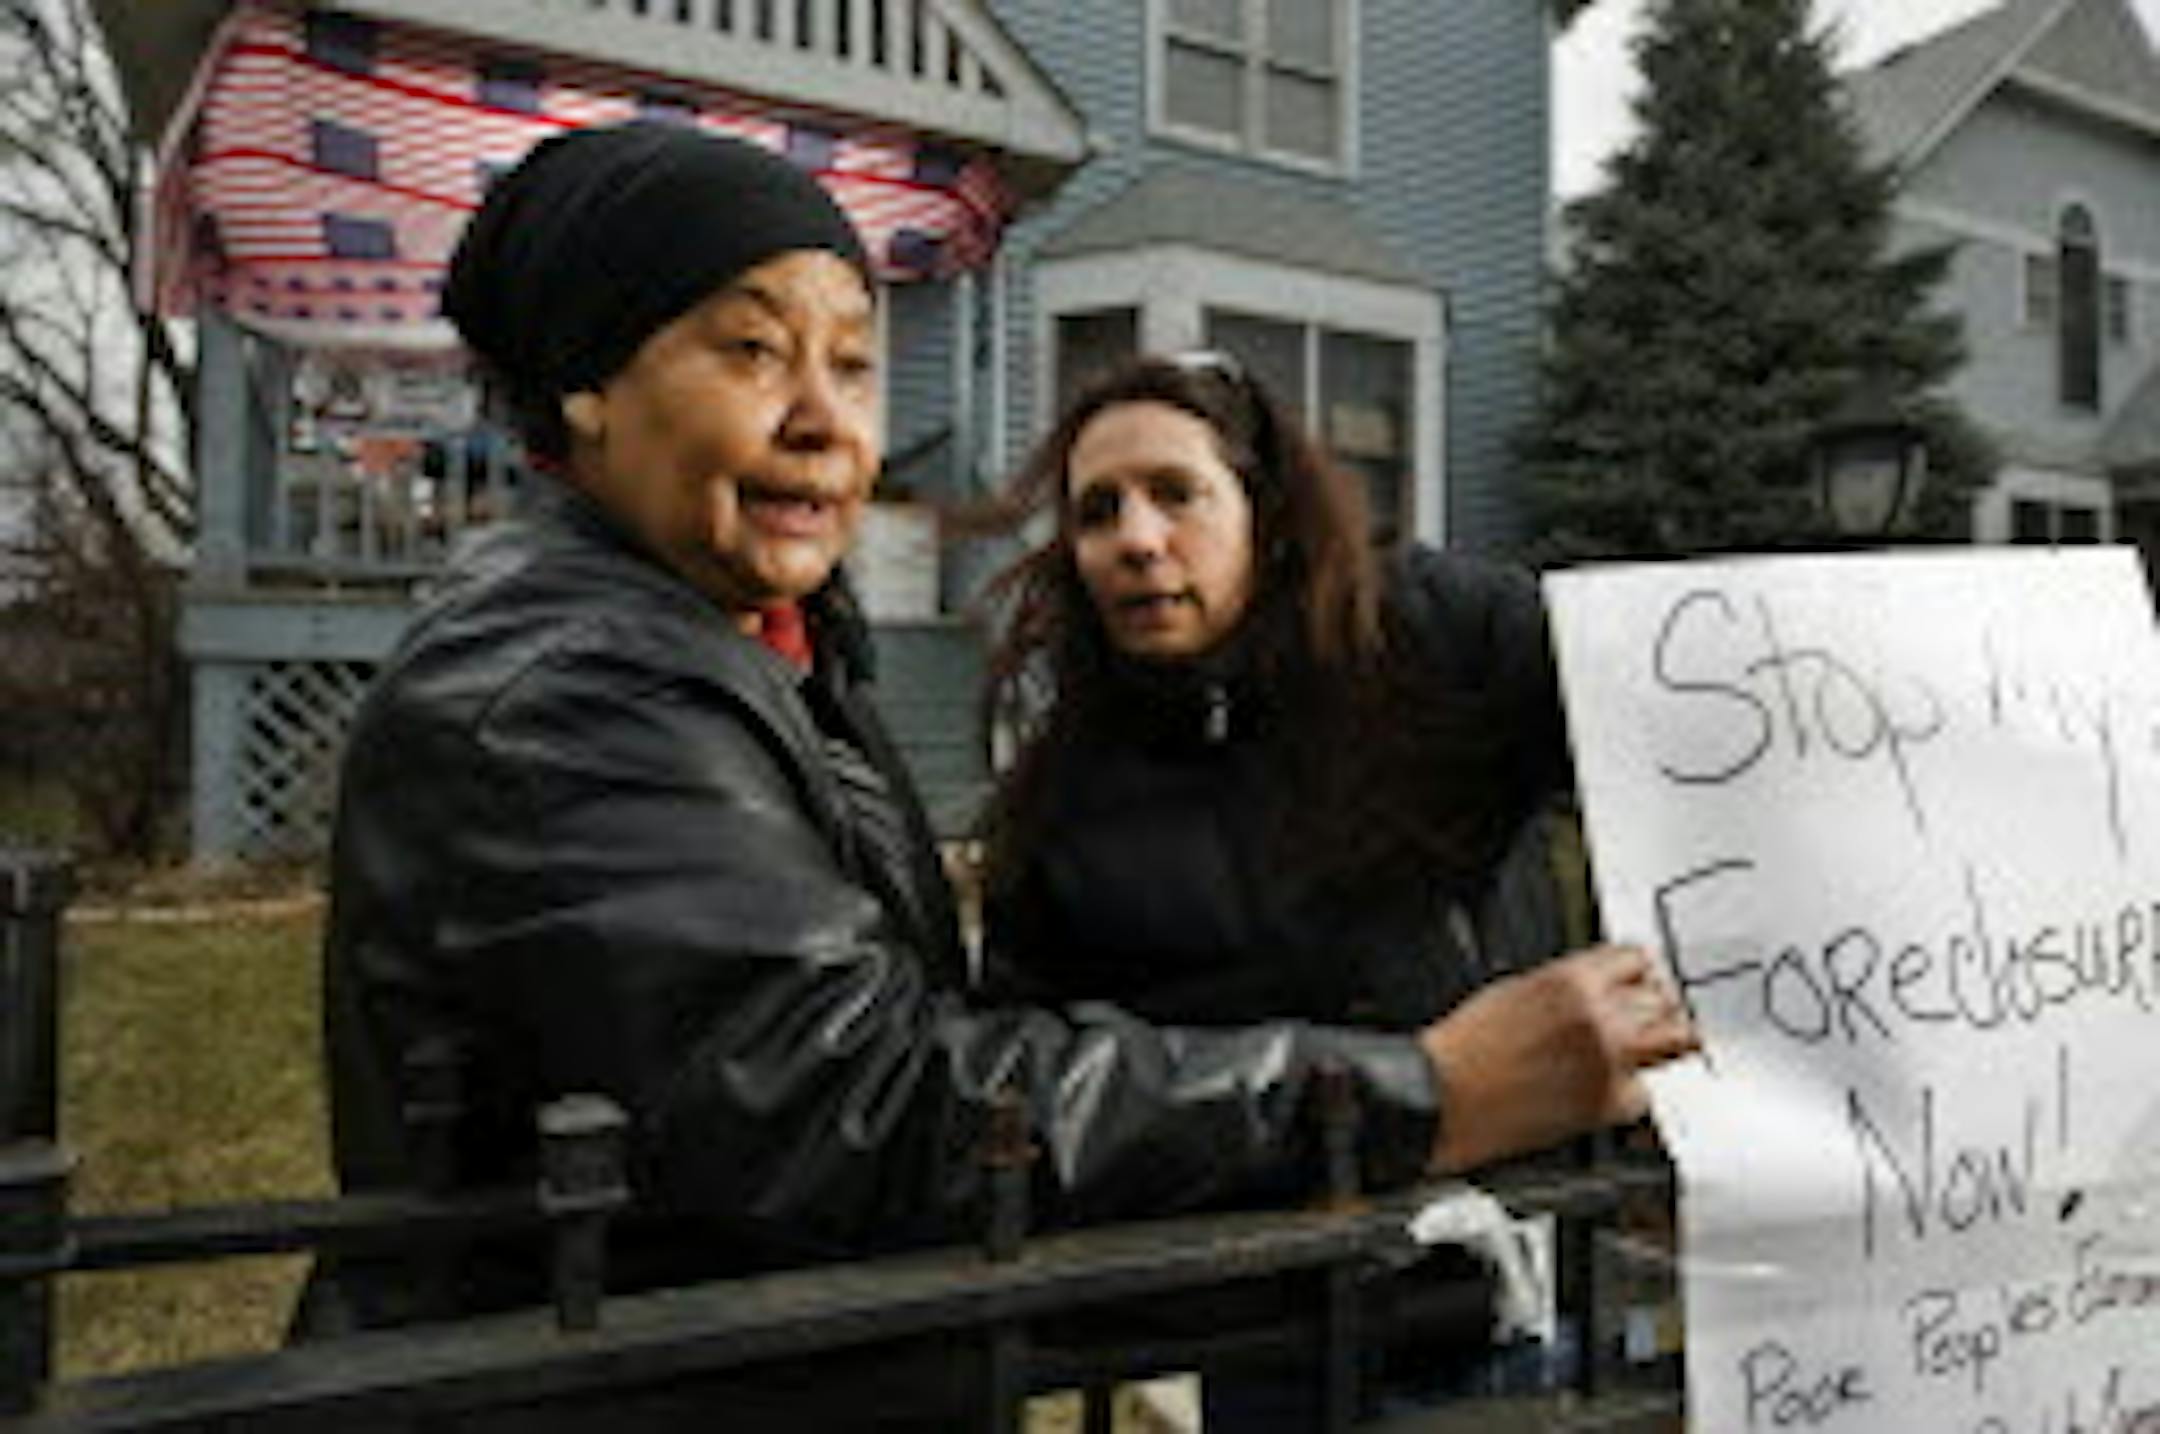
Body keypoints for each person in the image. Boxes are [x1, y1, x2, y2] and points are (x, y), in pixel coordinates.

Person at [308, 121, 1690, 1411]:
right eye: (751, 351)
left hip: (1481, 1297)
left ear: (1267, 517)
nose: (824, 418)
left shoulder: (772, 656)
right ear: (586, 391)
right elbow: (877, 1102)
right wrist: (1425, 1086)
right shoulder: (574, 695)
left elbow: (1666, 706)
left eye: (852, 363)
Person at [975, 352, 1668, 1414]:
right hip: (1278, 1342)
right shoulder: (1059, 805)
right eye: (1097, 511)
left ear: (1261, 506)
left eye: (1177, 492)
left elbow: (1660, 724)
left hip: (1525, 1304)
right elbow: (1048, 1088)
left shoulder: (1428, 637)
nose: (1137, 540)